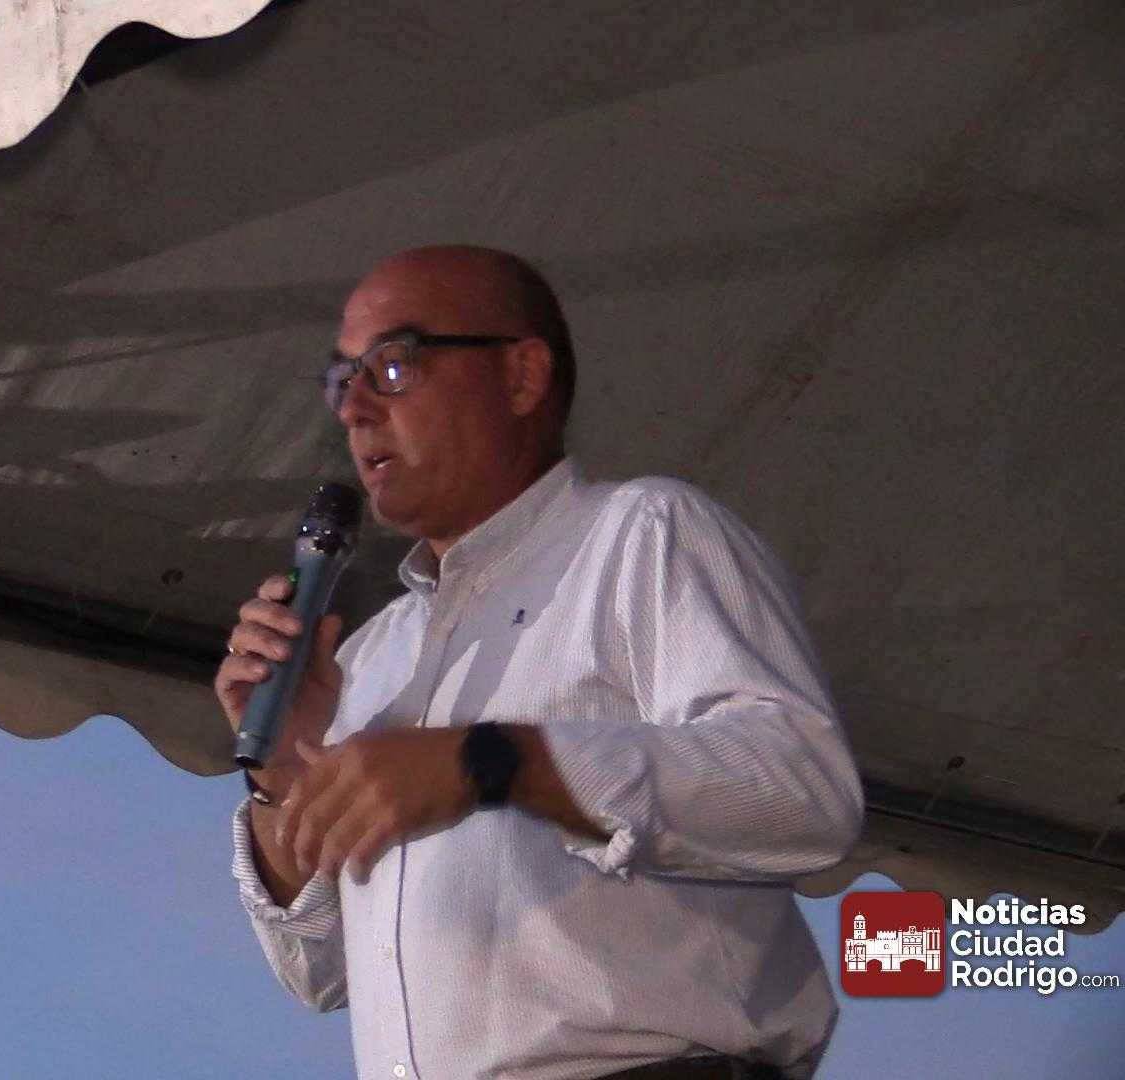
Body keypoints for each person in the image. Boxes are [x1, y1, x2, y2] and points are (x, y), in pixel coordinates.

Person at [217, 246, 864, 1080]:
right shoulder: (372, 656)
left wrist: (491, 762)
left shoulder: (640, 534)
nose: (355, 408)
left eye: (393, 364)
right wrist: (280, 775)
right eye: (343, 380)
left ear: (521, 376)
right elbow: (320, 974)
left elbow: (802, 791)